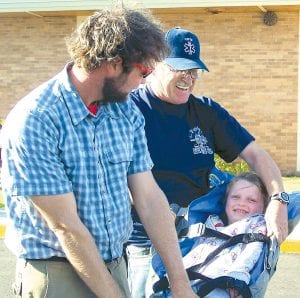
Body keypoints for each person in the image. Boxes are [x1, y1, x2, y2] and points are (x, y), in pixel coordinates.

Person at [0, 9, 197, 298]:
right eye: (144, 71)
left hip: (115, 264)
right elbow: (66, 226)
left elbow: (149, 197)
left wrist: (180, 283)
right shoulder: (36, 119)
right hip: (57, 274)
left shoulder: (125, 109)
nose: (144, 81)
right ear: (114, 63)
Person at [126, 27, 288, 298]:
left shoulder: (206, 111)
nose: (188, 79)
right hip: (147, 241)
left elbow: (256, 155)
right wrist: (157, 212)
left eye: (194, 71)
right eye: (181, 69)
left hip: (199, 239)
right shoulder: (129, 109)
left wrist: (278, 200)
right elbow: (113, 176)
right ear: (156, 64)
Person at [182, 172, 269, 298]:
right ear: (225, 201)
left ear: (263, 208)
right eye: (235, 197)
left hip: (222, 284)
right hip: (189, 278)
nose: (242, 203)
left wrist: (237, 275)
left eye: (251, 200)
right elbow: (195, 248)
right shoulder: (212, 221)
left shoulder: (256, 224)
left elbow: (252, 250)